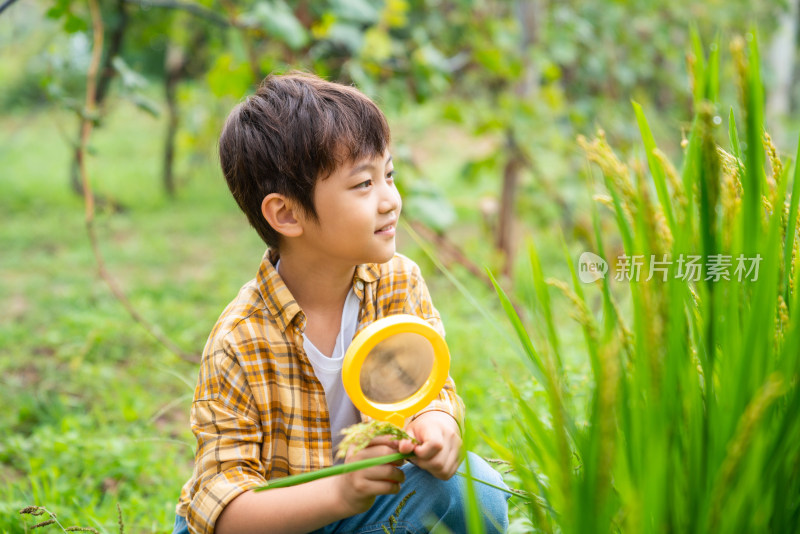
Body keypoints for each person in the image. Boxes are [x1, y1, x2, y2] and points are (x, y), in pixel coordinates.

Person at [173, 72, 509, 534]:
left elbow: (430, 387)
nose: (390, 200)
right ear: (287, 213)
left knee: (477, 490)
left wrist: (436, 423)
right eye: (363, 185)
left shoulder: (397, 284)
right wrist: (340, 492)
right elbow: (224, 511)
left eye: (388, 175)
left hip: (357, 512)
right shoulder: (241, 340)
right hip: (272, 524)